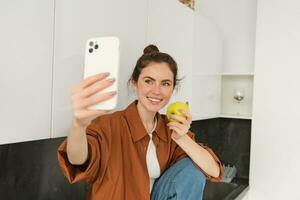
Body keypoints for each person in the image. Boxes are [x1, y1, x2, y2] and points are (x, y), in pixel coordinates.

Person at [57, 45, 223, 200]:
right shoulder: (109, 125)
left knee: (193, 168)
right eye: (148, 81)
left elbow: (213, 171)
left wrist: (181, 138)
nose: (156, 91)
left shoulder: (169, 128)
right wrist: (78, 125)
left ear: (173, 89)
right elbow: (78, 160)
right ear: (134, 83)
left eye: (165, 83)